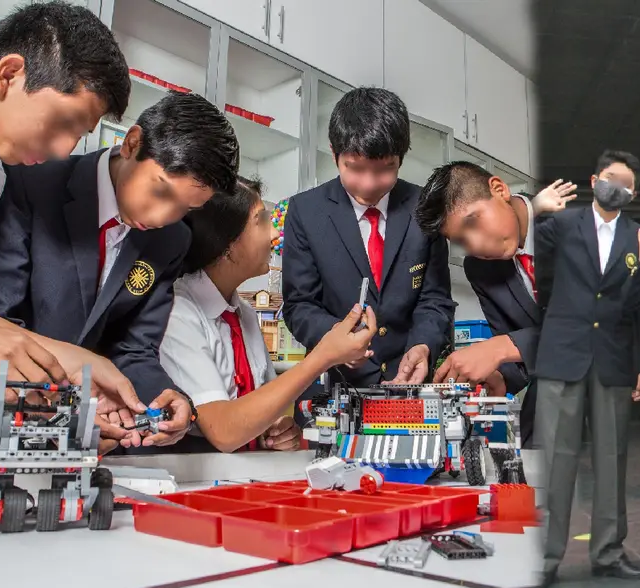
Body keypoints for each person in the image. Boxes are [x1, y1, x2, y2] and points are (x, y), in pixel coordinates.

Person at [0, 90, 240, 451]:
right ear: (132, 143)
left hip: (80, 429)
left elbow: (134, 349)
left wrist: (168, 399)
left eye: (186, 208)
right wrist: (69, 403)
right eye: (161, 192)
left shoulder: (171, 240)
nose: (163, 217)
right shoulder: (32, 182)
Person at [0, 1, 164, 450]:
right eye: (64, 123)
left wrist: (73, 364)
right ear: (10, 74)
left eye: (78, 135)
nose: (63, 151)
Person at [160, 177, 377, 453]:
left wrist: (275, 429)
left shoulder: (244, 314)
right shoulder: (177, 313)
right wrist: (323, 356)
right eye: (261, 221)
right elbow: (224, 431)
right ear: (227, 244)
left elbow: (263, 407)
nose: (274, 234)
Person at [282, 87, 454, 407]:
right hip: (335, 387)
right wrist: (338, 339)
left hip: (408, 387)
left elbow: (435, 299)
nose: (369, 184)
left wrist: (423, 345)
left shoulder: (424, 207)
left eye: (385, 169)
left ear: (401, 157)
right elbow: (299, 305)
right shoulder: (306, 211)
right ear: (334, 153)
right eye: (355, 168)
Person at [535, 149, 640, 587]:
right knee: (555, 461)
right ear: (593, 181)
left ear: (634, 193)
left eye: (626, 183)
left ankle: (608, 551)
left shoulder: (637, 236)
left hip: (613, 359)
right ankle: (545, 558)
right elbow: (515, 246)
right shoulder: (561, 223)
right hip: (562, 354)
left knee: (612, 458)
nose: (616, 187)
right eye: (610, 178)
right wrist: (533, 210)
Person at [413, 161, 577, 446]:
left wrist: (500, 348)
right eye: (461, 240)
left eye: (472, 222)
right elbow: (519, 353)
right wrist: (498, 375)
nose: (475, 245)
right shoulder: (480, 269)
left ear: (499, 190)